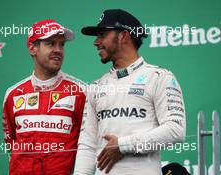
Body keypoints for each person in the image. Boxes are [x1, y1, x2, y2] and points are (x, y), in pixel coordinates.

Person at [74, 9, 186, 175]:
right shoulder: (95, 87)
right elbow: (87, 145)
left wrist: (123, 145)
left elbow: (175, 130)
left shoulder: (159, 77)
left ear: (123, 36)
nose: (96, 42)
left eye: (102, 34)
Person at [2, 19, 86, 175]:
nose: (58, 50)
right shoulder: (13, 94)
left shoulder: (80, 91)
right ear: (32, 48)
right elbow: (11, 143)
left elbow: (87, 145)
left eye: (62, 45)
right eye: (50, 43)